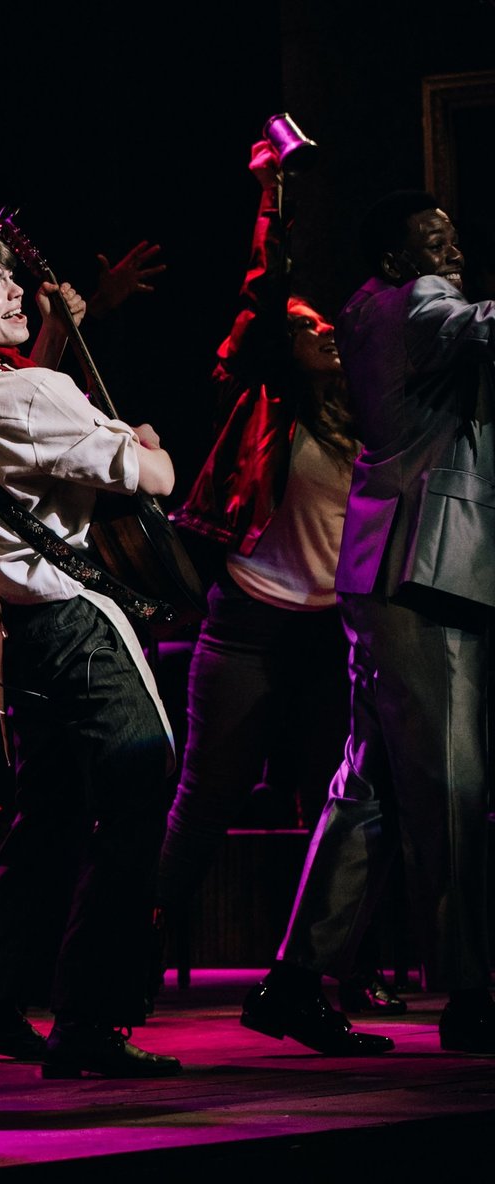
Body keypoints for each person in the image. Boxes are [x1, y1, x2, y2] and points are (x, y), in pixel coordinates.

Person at [0, 225, 183, 1079]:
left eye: (14, 277)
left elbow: (30, 416)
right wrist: (145, 442)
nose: (17, 292)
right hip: (75, 625)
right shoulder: (27, 394)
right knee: (139, 795)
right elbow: (157, 478)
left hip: (11, 634)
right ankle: (91, 1019)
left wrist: (61, 349)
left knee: (48, 816)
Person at [241, 192, 495, 1056]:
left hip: (389, 569)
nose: (452, 250)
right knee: (450, 792)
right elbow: (477, 327)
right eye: (435, 241)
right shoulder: (421, 305)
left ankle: (296, 981)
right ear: (395, 262)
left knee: (372, 789)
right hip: (421, 572)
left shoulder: (374, 309)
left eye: (455, 237)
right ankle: (470, 992)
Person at [163, 142, 391, 1006]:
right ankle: (131, 960)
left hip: (335, 627)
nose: (321, 327)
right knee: (206, 798)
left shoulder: (370, 417)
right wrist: (273, 197)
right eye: (303, 325)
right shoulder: (262, 404)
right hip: (250, 622)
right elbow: (263, 305)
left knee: (335, 802)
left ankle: (336, 972)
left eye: (321, 319)